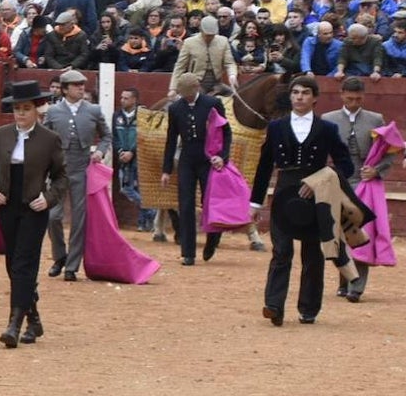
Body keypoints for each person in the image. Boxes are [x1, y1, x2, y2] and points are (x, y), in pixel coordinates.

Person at [249, 75, 354, 326]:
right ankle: (273, 306)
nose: (299, 97)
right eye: (295, 92)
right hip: (284, 194)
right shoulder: (276, 127)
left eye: (305, 93)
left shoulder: (327, 129)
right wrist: (255, 203)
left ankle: (309, 308)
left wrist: (319, 180)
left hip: (315, 198)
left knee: (312, 255)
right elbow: (264, 166)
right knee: (281, 251)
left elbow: (346, 166)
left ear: (315, 98)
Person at [0, 81, 68, 348]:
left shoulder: (49, 139)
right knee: (13, 263)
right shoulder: (2, 134)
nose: (20, 114)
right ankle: (34, 319)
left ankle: (14, 323)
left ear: (37, 110)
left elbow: (61, 177)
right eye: (17, 109)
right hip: (7, 206)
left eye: (26, 109)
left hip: (34, 207)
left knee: (23, 263)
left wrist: (49, 198)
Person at [321, 77, 386, 302]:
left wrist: (377, 170)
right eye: (349, 98)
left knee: (360, 233)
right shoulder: (328, 119)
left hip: (364, 182)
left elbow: (388, 151)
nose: (354, 103)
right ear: (341, 95)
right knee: (339, 234)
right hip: (337, 181)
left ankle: (356, 286)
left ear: (364, 96)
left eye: (358, 99)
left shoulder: (376, 119)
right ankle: (344, 279)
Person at [43, 70, 110, 282]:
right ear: (65, 89)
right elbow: (43, 138)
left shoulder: (93, 110)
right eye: (76, 85)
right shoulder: (53, 111)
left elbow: (107, 135)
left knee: (79, 219)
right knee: (53, 217)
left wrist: (100, 151)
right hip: (58, 171)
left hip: (82, 168)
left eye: (82, 84)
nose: (81, 87)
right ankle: (59, 256)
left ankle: (72, 266)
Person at [161, 74, 230, 266]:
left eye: (190, 94)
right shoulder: (176, 108)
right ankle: (188, 252)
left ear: (197, 88)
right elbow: (171, 139)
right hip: (187, 158)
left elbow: (226, 131)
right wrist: (166, 170)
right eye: (185, 95)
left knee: (210, 202)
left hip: (209, 158)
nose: (188, 98)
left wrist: (222, 157)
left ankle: (213, 239)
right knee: (186, 204)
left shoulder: (212, 103)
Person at [114, 88, 154, 231]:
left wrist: (131, 152)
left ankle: (143, 223)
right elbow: (115, 137)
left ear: (134, 100)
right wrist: (121, 152)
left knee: (137, 189)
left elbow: (144, 137)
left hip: (140, 158)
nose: (122, 100)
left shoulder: (143, 115)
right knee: (126, 189)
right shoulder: (117, 115)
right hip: (123, 157)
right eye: (122, 97)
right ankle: (151, 213)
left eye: (126, 98)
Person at [168, 15, 237, 96]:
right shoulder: (189, 42)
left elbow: (229, 63)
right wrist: (173, 88)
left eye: (212, 35)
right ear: (201, 30)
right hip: (196, 84)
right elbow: (180, 66)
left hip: (217, 83)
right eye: (207, 35)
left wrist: (232, 75)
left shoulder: (223, 41)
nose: (210, 38)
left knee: (234, 96)